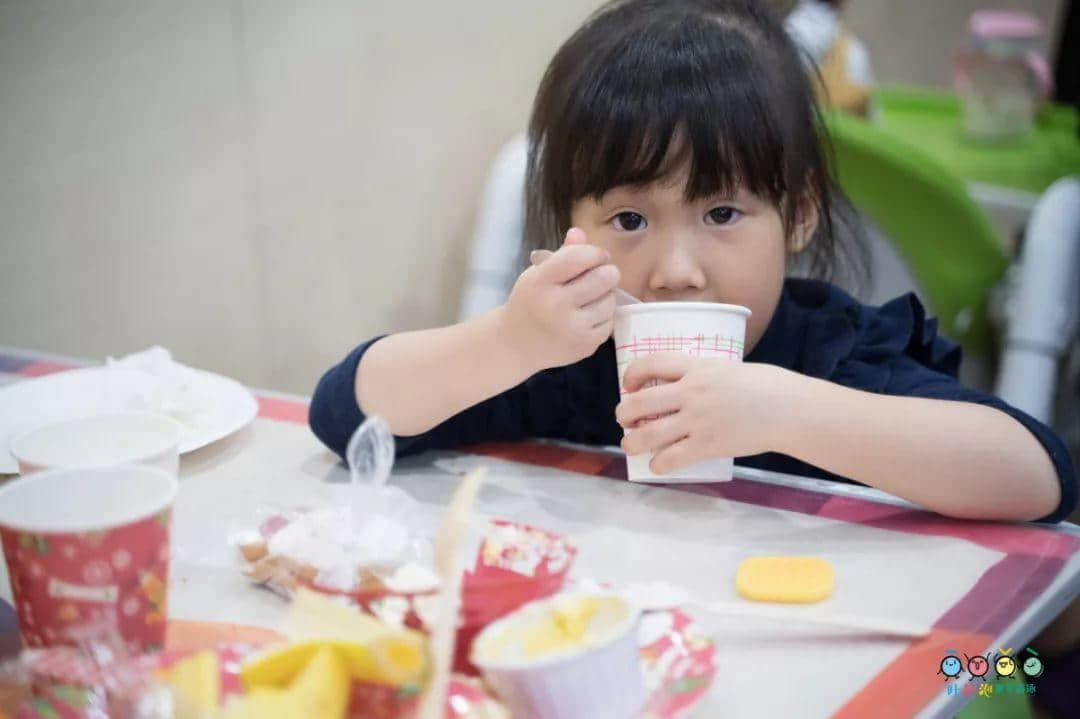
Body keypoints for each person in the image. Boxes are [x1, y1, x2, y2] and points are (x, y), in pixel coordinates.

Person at [310, 0, 1075, 523]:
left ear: (799, 211)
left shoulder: (831, 356)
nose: (676, 268)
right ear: (569, 223)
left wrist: (782, 408)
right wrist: (508, 342)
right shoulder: (562, 362)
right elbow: (343, 415)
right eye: (630, 219)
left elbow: (1038, 478)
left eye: (721, 214)